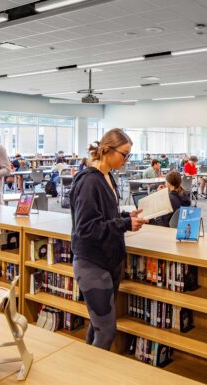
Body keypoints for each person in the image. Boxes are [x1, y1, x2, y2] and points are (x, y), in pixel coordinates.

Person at [70, 128, 147, 350]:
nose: (126, 160)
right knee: (106, 330)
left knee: (97, 327)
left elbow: (104, 216)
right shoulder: (89, 182)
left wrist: (125, 217)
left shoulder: (107, 176)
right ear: (107, 150)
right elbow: (86, 228)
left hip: (109, 260)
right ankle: (93, 381)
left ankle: (88, 371)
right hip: (92, 262)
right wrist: (123, 224)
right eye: (124, 154)